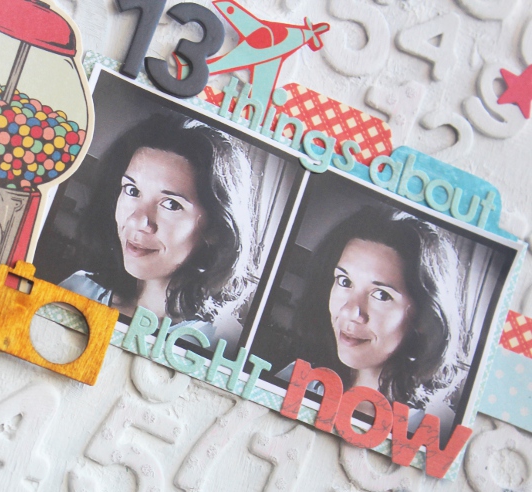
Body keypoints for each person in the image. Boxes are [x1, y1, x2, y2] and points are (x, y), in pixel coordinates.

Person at [60, 115, 255, 340]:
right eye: (132, 191)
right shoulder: (77, 290)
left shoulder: (221, 340)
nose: (137, 220)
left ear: (215, 230)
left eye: (171, 204)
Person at [289, 206, 463, 412]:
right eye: (344, 281)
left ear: (423, 318)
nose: (349, 312)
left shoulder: (432, 423)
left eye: (381, 295)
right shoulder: (296, 378)